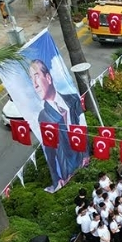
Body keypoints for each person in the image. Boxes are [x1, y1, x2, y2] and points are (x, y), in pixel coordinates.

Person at [31, 59, 89, 191]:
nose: (35, 85)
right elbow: (49, 150)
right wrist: (57, 179)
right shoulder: (43, 117)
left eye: (36, 76)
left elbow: (83, 126)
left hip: (82, 155)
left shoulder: (72, 98)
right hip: (66, 169)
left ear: (48, 77)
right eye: (31, 79)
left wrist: (86, 153)